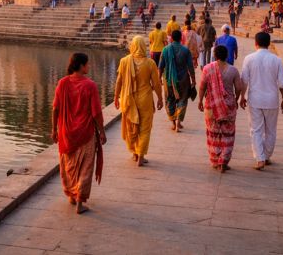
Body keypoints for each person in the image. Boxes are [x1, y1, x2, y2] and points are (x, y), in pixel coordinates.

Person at [51, 53, 106, 214]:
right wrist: (102, 132)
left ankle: (71, 195)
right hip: (86, 134)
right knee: (85, 168)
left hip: (66, 133)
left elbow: (55, 108)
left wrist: (54, 129)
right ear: (81, 66)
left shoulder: (62, 83)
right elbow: (96, 113)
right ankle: (80, 202)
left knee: (69, 165)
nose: (89, 67)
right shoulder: (90, 86)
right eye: (87, 64)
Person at [240, 32, 283, 170]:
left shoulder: (249, 59)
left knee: (256, 130)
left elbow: (244, 80)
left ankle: (260, 158)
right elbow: (282, 84)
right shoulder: (277, 60)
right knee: (271, 130)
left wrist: (242, 96)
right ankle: (266, 156)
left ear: (255, 43)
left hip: (255, 99)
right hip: (272, 100)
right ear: (269, 43)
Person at [115, 36, 164, 167]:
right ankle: (141, 156)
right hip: (145, 99)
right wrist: (160, 98)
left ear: (133, 46)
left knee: (131, 126)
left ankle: (135, 153)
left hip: (128, 99)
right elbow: (157, 83)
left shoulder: (124, 61)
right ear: (143, 46)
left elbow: (119, 81)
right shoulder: (150, 63)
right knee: (145, 128)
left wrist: (116, 97)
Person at [198, 44, 244, 172]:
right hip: (228, 107)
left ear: (215, 56)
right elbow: (239, 88)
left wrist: (200, 101)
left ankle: (216, 159)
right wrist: (235, 99)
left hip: (211, 107)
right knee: (227, 134)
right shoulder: (233, 70)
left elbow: (202, 87)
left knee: (213, 133)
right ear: (227, 56)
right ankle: (224, 161)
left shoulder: (207, 69)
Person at [158, 30, 196, 132]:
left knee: (169, 100)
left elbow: (161, 67)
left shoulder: (165, 50)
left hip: (168, 80)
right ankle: (179, 122)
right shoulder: (185, 50)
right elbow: (190, 67)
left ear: (171, 38)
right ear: (180, 38)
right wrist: (193, 80)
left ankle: (174, 124)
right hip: (183, 79)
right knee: (182, 99)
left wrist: (159, 79)